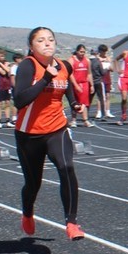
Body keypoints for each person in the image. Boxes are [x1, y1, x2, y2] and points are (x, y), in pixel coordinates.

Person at [14, 27, 86, 240]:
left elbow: (66, 88)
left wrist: (73, 103)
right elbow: (19, 101)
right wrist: (45, 78)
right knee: (33, 183)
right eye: (41, 40)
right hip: (29, 134)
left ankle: (71, 223)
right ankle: (27, 214)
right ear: (31, 46)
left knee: (67, 167)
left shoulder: (63, 66)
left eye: (50, 40)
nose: (47, 43)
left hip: (57, 129)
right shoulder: (28, 66)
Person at [69, 44, 94, 127]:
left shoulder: (87, 61)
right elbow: (70, 74)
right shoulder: (72, 60)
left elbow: (89, 73)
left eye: (83, 52)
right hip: (75, 84)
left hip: (84, 83)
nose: (82, 53)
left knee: (84, 103)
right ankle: (73, 120)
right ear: (77, 51)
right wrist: (75, 85)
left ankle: (85, 120)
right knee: (75, 102)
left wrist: (91, 85)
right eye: (80, 52)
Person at [0, 50, 14, 128]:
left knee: (8, 103)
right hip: (0, 86)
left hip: (8, 85)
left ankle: (8, 120)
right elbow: (3, 73)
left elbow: (9, 71)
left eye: (3, 56)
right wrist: (4, 65)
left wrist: (2, 64)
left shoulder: (4, 63)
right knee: (0, 104)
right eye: (1, 56)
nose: (2, 57)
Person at [92, 45, 113, 120]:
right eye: (102, 51)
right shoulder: (97, 59)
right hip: (100, 79)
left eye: (105, 51)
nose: (104, 53)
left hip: (107, 78)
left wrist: (109, 66)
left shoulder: (108, 58)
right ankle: (99, 111)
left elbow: (112, 69)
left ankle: (107, 111)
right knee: (100, 96)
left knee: (108, 95)